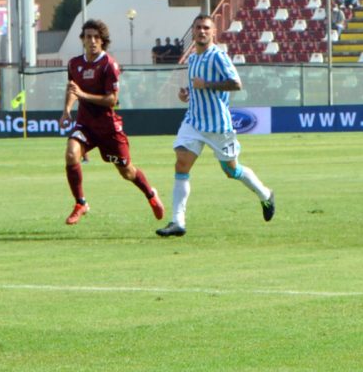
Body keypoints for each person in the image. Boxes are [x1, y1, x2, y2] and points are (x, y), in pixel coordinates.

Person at [155, 15, 275, 237]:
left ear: (213, 32)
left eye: (206, 28)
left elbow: (236, 83)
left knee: (232, 170)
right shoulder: (192, 59)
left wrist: (206, 84)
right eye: (198, 27)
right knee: (181, 164)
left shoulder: (218, 56)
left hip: (218, 125)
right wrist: (187, 95)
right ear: (193, 31)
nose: (202, 31)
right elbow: (197, 89)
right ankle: (178, 222)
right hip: (193, 121)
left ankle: (265, 194)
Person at [59, 19, 165, 225]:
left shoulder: (109, 64)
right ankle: (81, 203)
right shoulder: (74, 64)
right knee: (72, 154)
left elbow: (112, 100)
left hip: (108, 128)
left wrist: (83, 94)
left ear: (102, 41)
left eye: (96, 37)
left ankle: (151, 194)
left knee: (126, 171)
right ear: (82, 39)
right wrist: (66, 111)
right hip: (85, 125)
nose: (92, 40)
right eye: (88, 36)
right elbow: (72, 89)